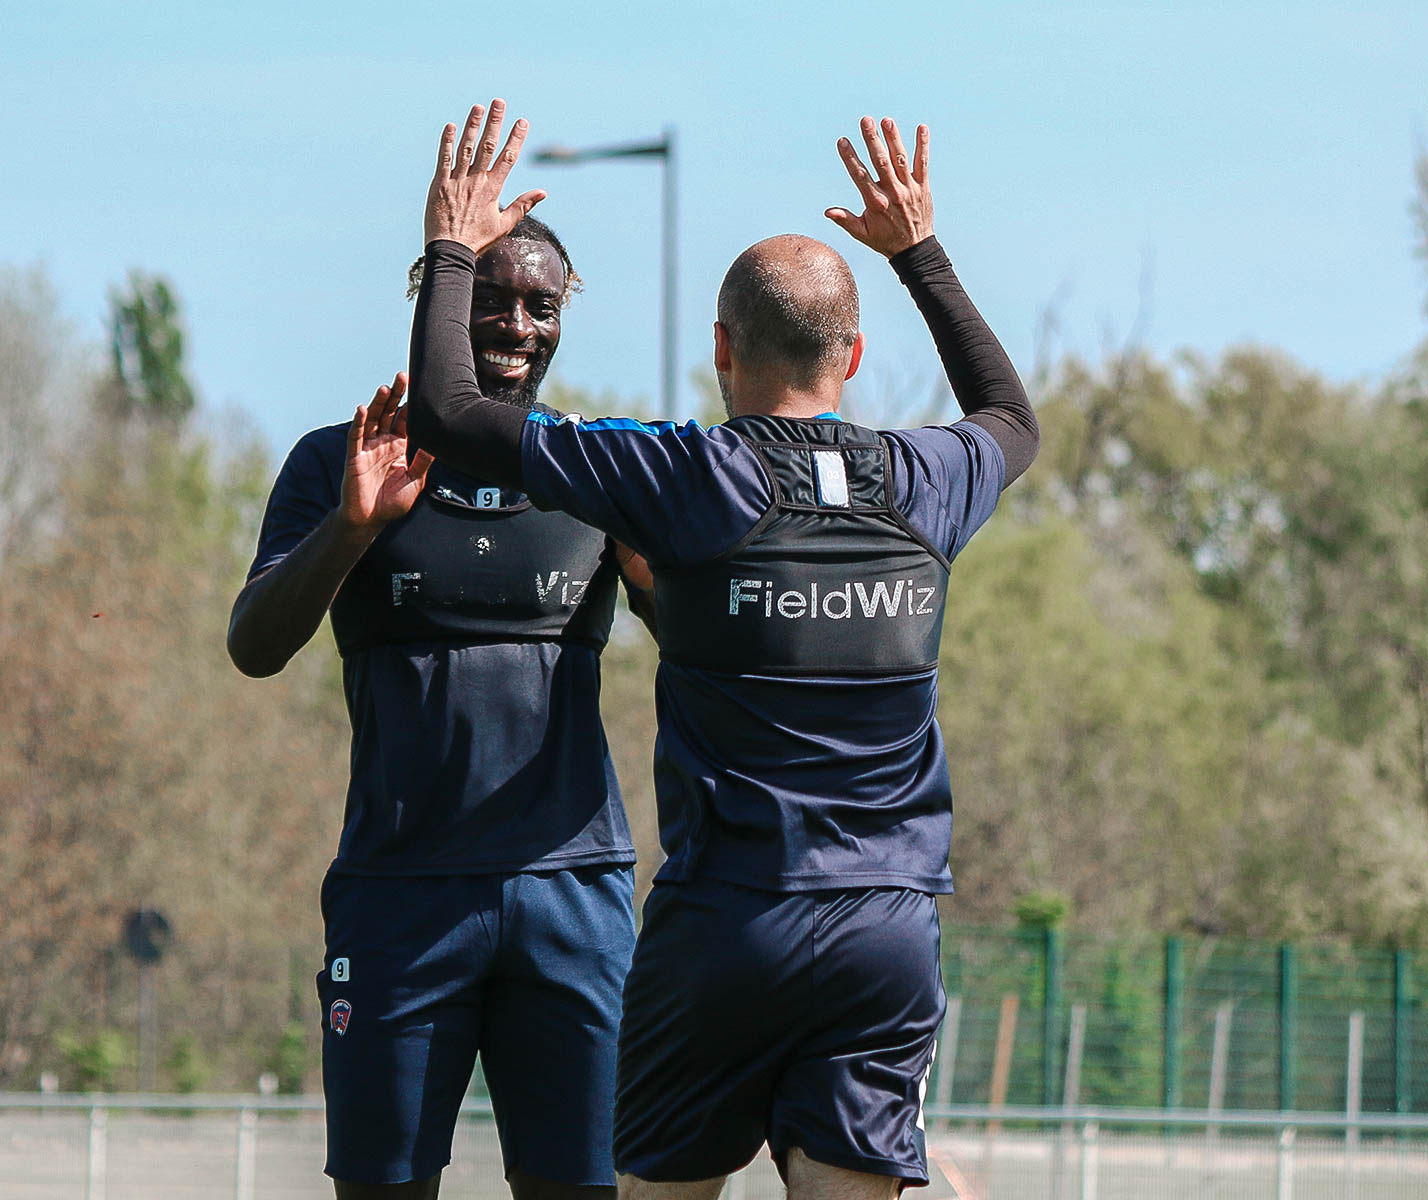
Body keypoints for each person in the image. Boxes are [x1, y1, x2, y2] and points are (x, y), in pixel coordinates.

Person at [406, 101, 1038, 1200]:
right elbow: (1010, 417)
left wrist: (452, 246)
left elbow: (452, 414)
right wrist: (917, 252)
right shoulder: (923, 484)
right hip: (886, 930)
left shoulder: (688, 477)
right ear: (852, 355)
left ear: (720, 348)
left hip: (723, 929)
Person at [227, 130, 651, 1198]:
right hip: (400, 898)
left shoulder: (593, 466)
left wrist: (661, 577)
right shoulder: (342, 458)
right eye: (490, 297)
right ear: (436, 302)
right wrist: (351, 533)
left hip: (573, 896)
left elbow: (703, 653)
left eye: (540, 306)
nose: (515, 325)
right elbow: (255, 645)